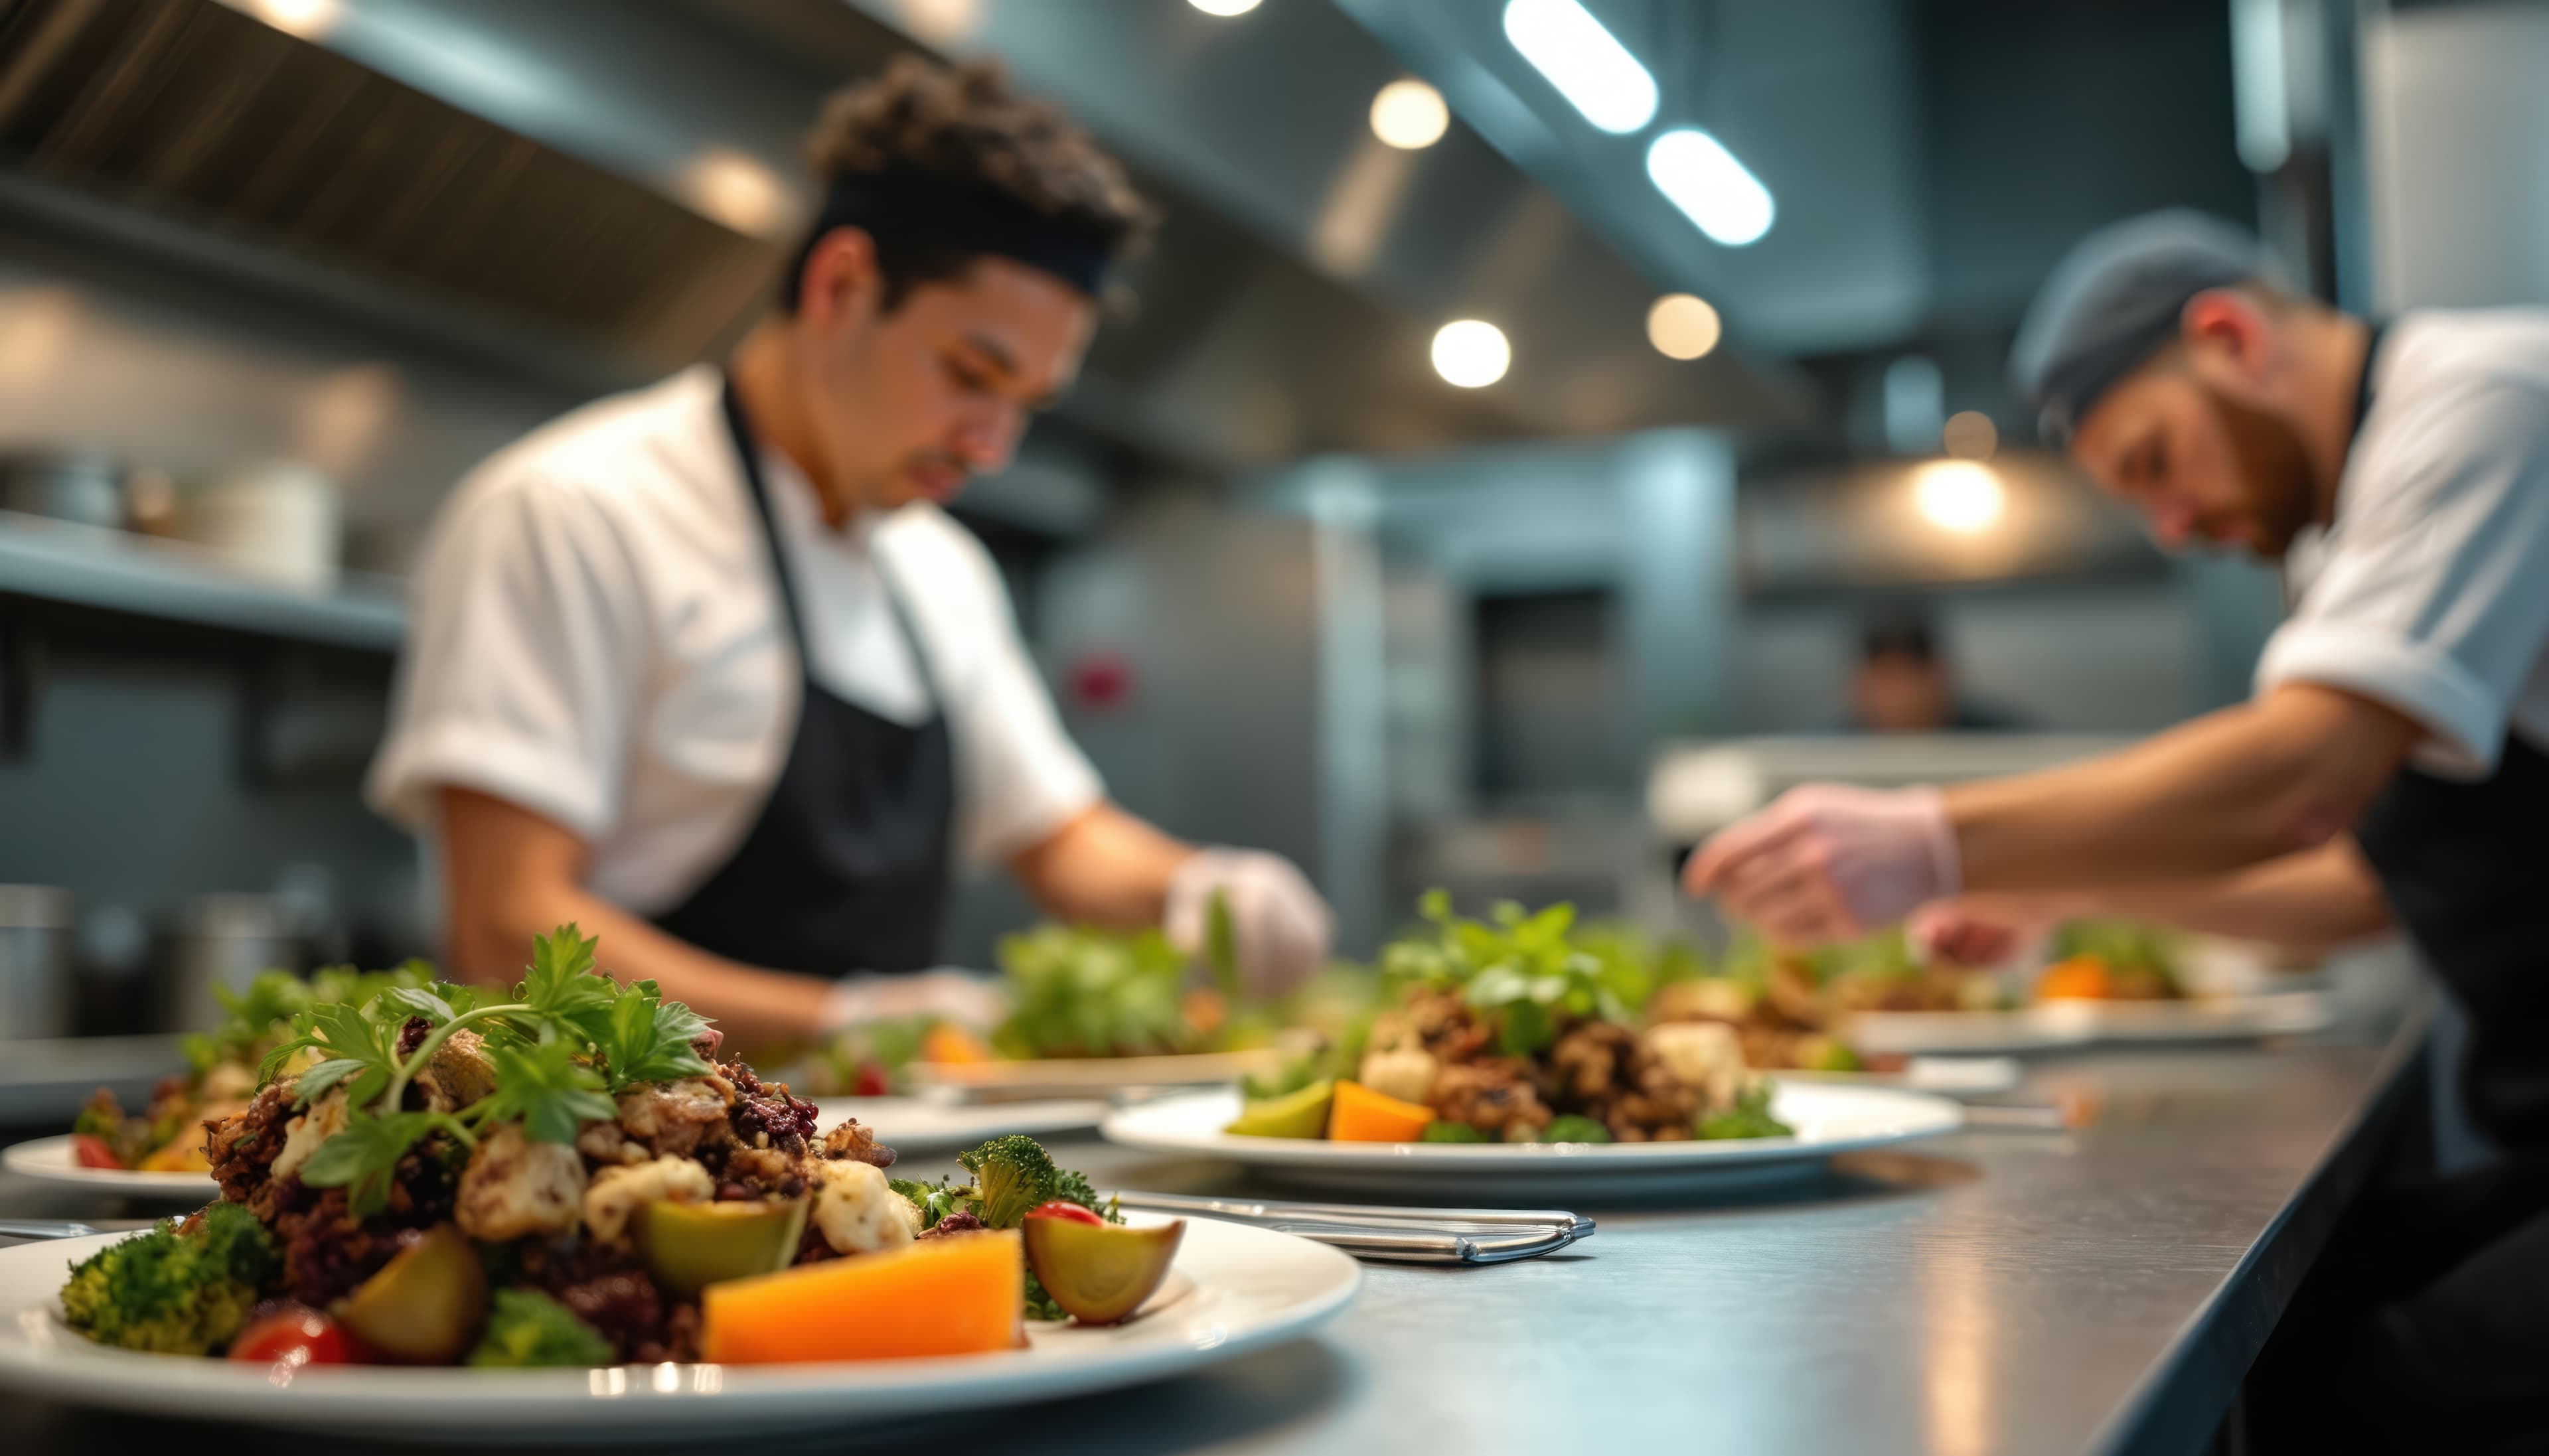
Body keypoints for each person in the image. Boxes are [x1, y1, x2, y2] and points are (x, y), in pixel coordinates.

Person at [1686, 209, 2549, 1448]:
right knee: (2311, 1323)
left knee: (2375, 1391)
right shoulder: (2367, 509)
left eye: (2153, 459)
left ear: (2228, 336)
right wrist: (2075, 883)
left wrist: (1930, 838)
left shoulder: (2486, 403)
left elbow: (2298, 776)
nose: (2176, 524)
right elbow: (2351, 883)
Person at [366, 59, 1330, 1050]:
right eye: (970, 372)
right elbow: (499, 921)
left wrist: (1198, 887)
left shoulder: (939, 571)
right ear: (842, 284)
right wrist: (847, 1021)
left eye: (1026, 404)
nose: (991, 445)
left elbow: (1058, 835)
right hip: (612, 1152)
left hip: (873, 1167)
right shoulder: (576, 512)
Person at [1846, 607, 2023, 733]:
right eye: (1883, 682)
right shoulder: (1835, 748)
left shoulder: (1996, 738)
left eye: (1900, 680)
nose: (1894, 701)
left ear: (1938, 676)